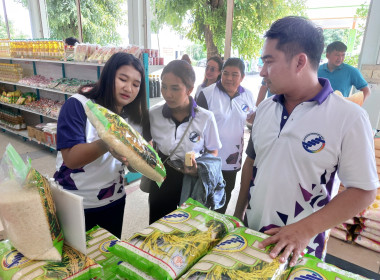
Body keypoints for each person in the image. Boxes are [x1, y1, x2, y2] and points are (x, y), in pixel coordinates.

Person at [234, 16, 378, 267]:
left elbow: (364, 191)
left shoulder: (349, 117)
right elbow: (252, 162)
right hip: (252, 236)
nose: (262, 71)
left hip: (301, 249)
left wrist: (303, 230)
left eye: (269, 61)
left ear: (300, 61)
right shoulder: (266, 108)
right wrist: (237, 216)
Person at [54, 52, 150, 238]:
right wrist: (109, 140)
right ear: (108, 76)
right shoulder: (79, 105)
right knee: (78, 261)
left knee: (108, 257)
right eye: (123, 79)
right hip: (77, 203)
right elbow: (71, 159)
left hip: (114, 199)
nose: (128, 88)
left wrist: (137, 158)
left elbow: (129, 162)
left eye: (136, 84)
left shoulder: (130, 116)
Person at [149, 60, 222, 224]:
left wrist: (199, 170)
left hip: (192, 180)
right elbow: (147, 144)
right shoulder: (153, 114)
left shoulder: (205, 117)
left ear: (189, 89)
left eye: (175, 88)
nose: (167, 94)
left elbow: (213, 151)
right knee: (158, 227)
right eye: (164, 86)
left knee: (187, 228)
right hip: (162, 178)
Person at [196, 57, 256, 214]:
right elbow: (195, 126)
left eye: (234, 74)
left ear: (242, 77)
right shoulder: (206, 94)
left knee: (224, 196)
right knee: (202, 199)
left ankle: (216, 231)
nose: (229, 78)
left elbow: (251, 118)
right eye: (225, 73)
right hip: (208, 158)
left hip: (232, 159)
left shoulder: (248, 95)